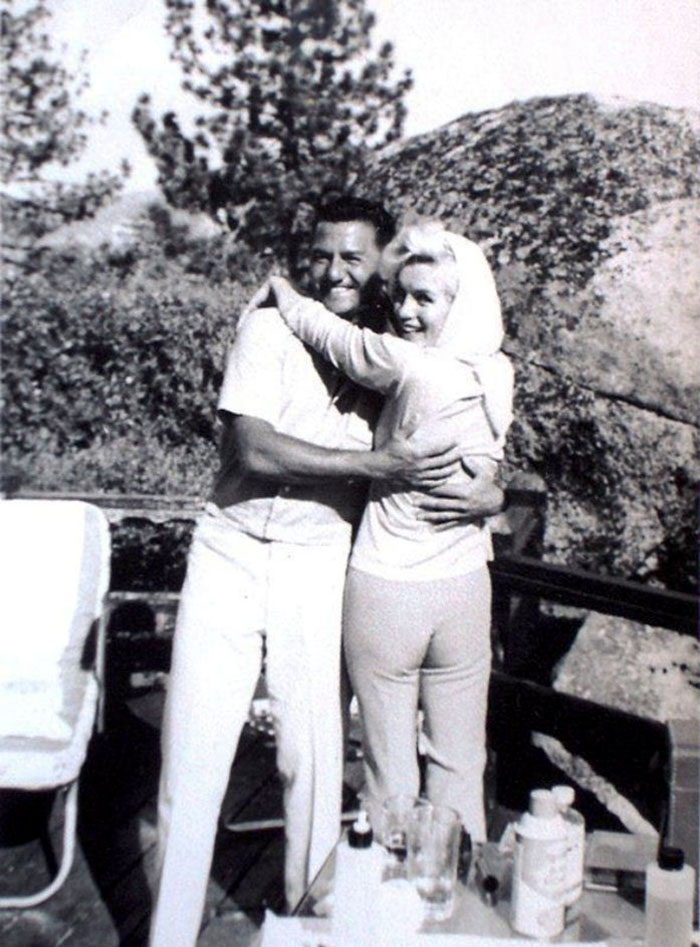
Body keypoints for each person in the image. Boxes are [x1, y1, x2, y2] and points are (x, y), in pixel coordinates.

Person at [148, 198, 503, 947]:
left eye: (352, 257)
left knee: (310, 769)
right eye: (320, 255)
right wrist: (376, 465)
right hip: (231, 549)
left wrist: (491, 493)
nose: (333, 270)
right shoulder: (270, 326)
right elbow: (252, 450)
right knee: (192, 761)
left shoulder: (400, 345)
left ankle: (305, 933)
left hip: (319, 560)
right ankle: (169, 935)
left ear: (382, 267)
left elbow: (472, 414)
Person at [251, 219, 514, 843]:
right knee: (460, 762)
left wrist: (284, 293)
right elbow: (487, 470)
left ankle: (388, 889)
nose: (404, 311)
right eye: (400, 295)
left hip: (388, 588)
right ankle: (455, 890)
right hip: (465, 586)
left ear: (461, 304)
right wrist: (495, 496)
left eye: (425, 298)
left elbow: (332, 336)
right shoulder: (496, 375)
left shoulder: (412, 366)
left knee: (389, 770)